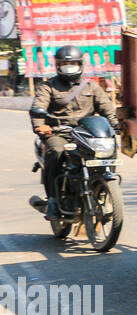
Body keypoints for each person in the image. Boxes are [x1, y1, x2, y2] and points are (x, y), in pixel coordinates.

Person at [30, 46, 119, 220]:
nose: (69, 67)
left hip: (87, 133)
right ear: (57, 66)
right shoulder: (48, 87)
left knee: (108, 150)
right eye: (64, 64)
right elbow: (38, 107)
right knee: (55, 152)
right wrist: (40, 126)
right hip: (59, 133)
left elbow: (107, 108)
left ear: (81, 65)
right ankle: (54, 201)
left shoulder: (91, 86)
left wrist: (115, 124)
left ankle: (102, 190)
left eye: (73, 63)